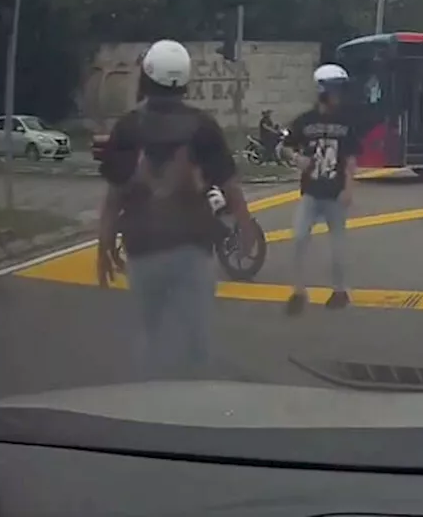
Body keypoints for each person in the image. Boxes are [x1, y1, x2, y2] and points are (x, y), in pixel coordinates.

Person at [96, 40, 258, 378]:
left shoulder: (128, 126)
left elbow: (114, 195)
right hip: (192, 248)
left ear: (146, 77)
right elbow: (232, 187)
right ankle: (196, 406)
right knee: (197, 335)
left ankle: (146, 404)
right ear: (183, 80)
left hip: (142, 247)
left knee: (150, 330)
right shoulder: (203, 126)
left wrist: (104, 245)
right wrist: (244, 231)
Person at [283, 64, 361, 315]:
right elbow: (284, 146)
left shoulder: (347, 122)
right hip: (311, 191)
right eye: (335, 90)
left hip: (335, 193)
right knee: (298, 237)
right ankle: (298, 291)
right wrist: (297, 160)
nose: (339, 96)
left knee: (338, 244)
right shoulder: (305, 121)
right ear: (323, 91)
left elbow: (350, 159)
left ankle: (340, 291)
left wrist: (349, 188)